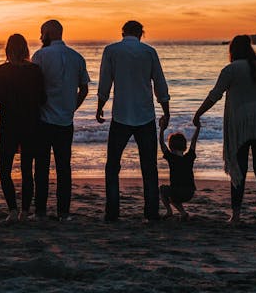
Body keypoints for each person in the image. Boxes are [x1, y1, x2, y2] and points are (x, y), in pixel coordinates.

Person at [193, 35, 256, 224]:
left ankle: (236, 214)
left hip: (239, 125)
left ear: (232, 50)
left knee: (238, 168)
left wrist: (198, 113)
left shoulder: (231, 70)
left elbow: (214, 95)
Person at [97, 20, 170, 222]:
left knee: (113, 165)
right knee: (149, 167)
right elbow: (160, 83)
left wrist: (100, 105)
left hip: (120, 115)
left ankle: (112, 212)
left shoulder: (111, 51)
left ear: (122, 33)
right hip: (145, 115)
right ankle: (151, 212)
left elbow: (105, 81)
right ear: (141, 34)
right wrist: (166, 110)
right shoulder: (149, 52)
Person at [32, 19, 89, 221]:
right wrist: (72, 107)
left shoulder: (40, 56)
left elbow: (33, 87)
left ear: (48, 33)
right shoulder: (77, 57)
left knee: (41, 167)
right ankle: (63, 212)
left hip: (44, 119)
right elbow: (84, 89)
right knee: (64, 167)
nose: (40, 37)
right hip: (66, 120)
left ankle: (40, 211)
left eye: (42, 33)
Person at [0, 33, 45, 222]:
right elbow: (42, 99)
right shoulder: (35, 70)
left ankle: (13, 211)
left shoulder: (3, 70)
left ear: (8, 50)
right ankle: (25, 211)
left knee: (5, 169)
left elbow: (3, 98)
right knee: (27, 170)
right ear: (25, 49)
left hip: (10, 124)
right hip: (32, 124)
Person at [159, 124, 200, 220]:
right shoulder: (189, 157)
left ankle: (169, 211)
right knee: (173, 195)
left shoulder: (171, 158)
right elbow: (194, 141)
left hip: (177, 192)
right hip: (190, 192)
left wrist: (161, 129)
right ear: (185, 146)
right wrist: (198, 128)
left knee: (163, 189)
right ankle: (183, 214)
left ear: (171, 147)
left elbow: (161, 144)